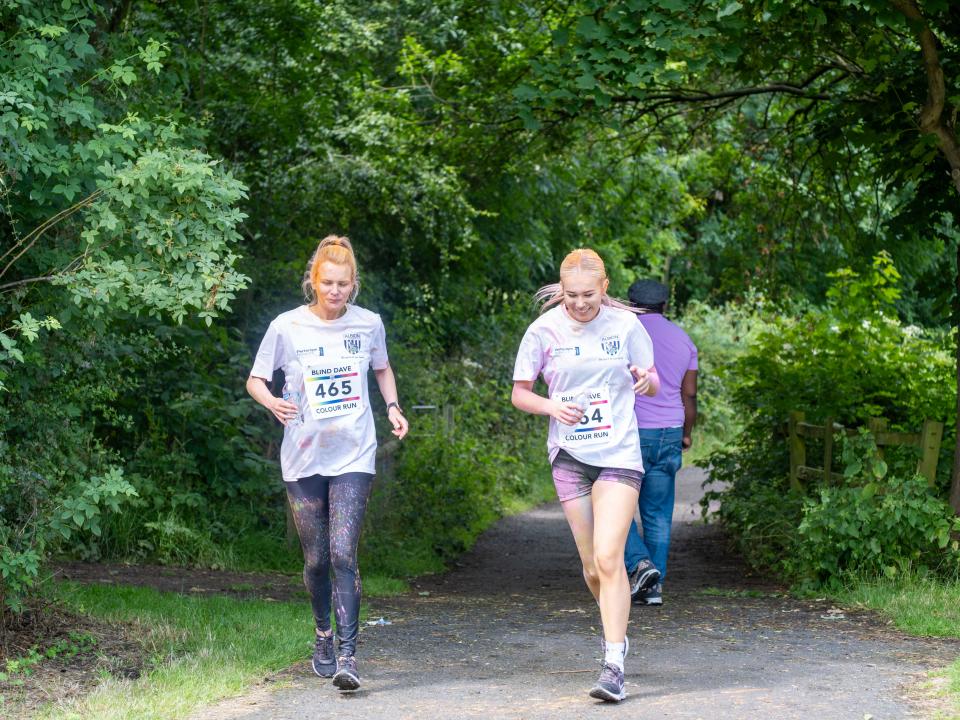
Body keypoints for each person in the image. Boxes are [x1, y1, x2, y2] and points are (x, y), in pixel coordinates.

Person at [246, 235, 409, 691]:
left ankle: (348, 654)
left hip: (354, 451)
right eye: (327, 282)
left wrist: (393, 406)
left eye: (343, 283)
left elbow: (382, 367)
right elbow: (256, 380)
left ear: (353, 284)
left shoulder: (368, 324)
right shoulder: (286, 327)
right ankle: (322, 632)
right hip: (303, 455)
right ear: (312, 281)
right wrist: (272, 403)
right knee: (316, 558)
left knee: (343, 552)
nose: (335, 291)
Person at [511, 249, 660, 702]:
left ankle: (614, 662)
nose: (579, 304)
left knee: (611, 556)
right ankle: (612, 629)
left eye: (588, 295)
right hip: (570, 457)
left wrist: (644, 378)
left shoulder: (626, 326)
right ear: (562, 289)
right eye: (571, 295)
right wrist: (551, 406)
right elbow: (520, 394)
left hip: (618, 453)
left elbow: (653, 380)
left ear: (605, 287)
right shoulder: (543, 331)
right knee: (593, 567)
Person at [622, 279, 698, 607]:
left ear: (630, 303)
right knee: (657, 513)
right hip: (670, 430)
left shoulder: (622, 336)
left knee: (615, 508)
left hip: (631, 433)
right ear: (666, 305)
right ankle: (653, 588)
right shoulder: (684, 340)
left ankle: (641, 566)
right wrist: (686, 432)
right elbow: (689, 394)